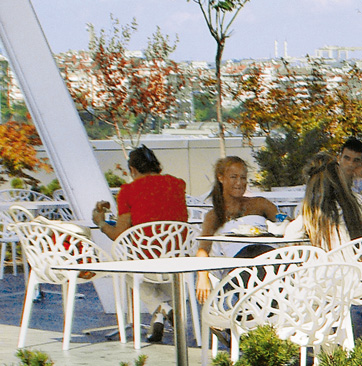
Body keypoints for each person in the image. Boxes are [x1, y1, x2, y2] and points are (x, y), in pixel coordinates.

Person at [91, 146, 190, 341]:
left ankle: (162, 307)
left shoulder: (128, 191)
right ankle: (159, 318)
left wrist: (101, 223)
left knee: (125, 266)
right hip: (178, 259)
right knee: (158, 269)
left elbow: (119, 235)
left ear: (133, 169)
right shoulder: (178, 184)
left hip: (148, 263)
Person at [287, 153, 362, 251]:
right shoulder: (359, 200)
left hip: (332, 260)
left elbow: (290, 238)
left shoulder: (316, 210)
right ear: (339, 177)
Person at [200, 156, 278, 255]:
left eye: (243, 178)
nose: (239, 183)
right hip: (241, 260)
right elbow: (203, 250)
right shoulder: (214, 215)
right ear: (221, 178)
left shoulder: (259, 204)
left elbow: (283, 222)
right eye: (233, 177)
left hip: (269, 256)